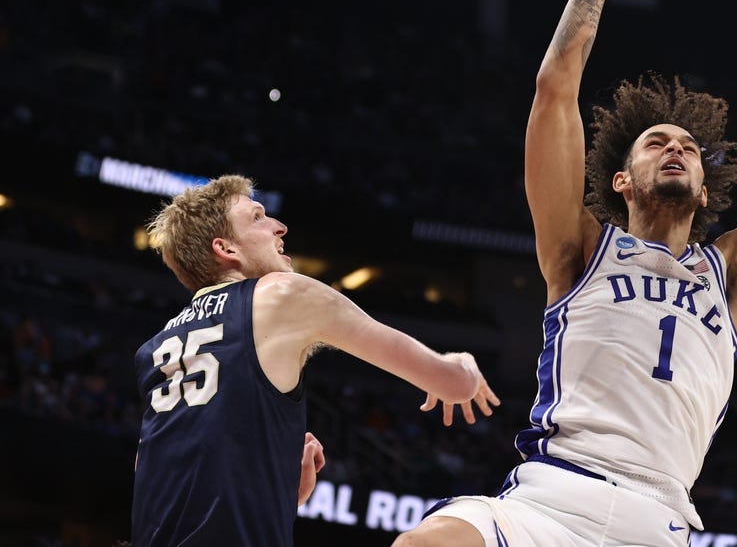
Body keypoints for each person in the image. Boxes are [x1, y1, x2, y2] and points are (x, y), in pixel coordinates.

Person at [395, 0, 737, 546]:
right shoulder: (580, 249)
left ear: (706, 192)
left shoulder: (734, 273)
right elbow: (553, 90)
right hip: (549, 498)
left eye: (687, 147)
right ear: (620, 180)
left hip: (657, 519)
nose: (675, 147)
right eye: (656, 142)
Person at [131, 174, 499, 547]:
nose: (279, 226)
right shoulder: (282, 293)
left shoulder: (153, 351)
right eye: (258, 217)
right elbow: (453, 384)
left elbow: (167, 488)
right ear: (226, 249)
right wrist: (462, 362)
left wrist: (283, 497)